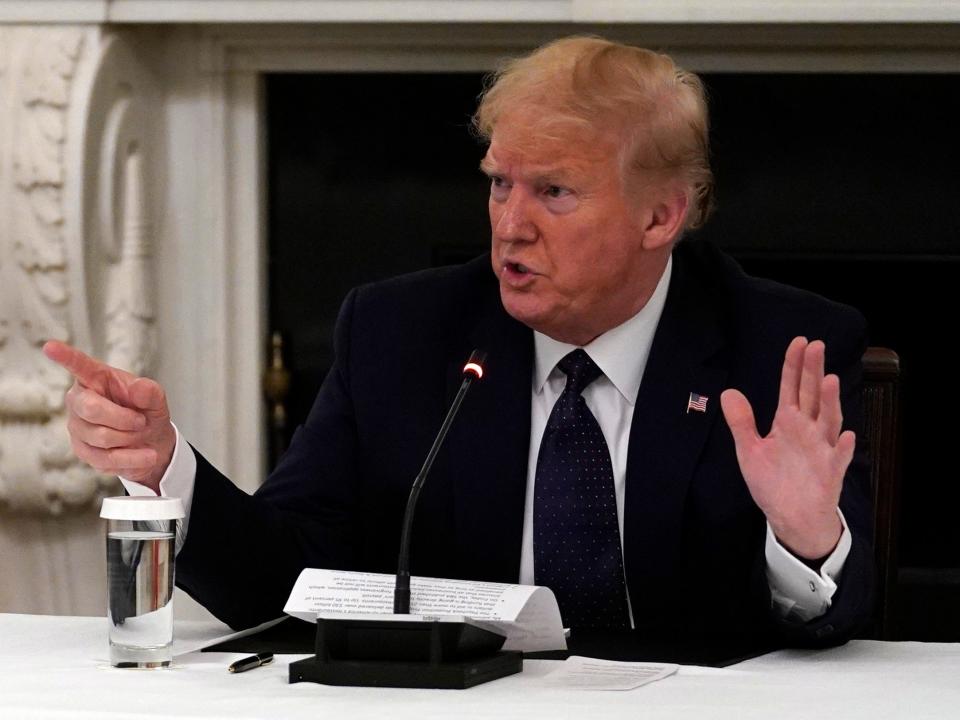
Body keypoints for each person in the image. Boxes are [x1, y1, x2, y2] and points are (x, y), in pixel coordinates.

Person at [44, 36, 872, 646]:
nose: (510, 227)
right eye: (500, 184)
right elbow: (284, 580)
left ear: (661, 216)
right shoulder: (401, 334)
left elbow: (852, 614)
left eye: (554, 192)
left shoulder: (779, 349)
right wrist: (164, 465)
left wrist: (807, 541)